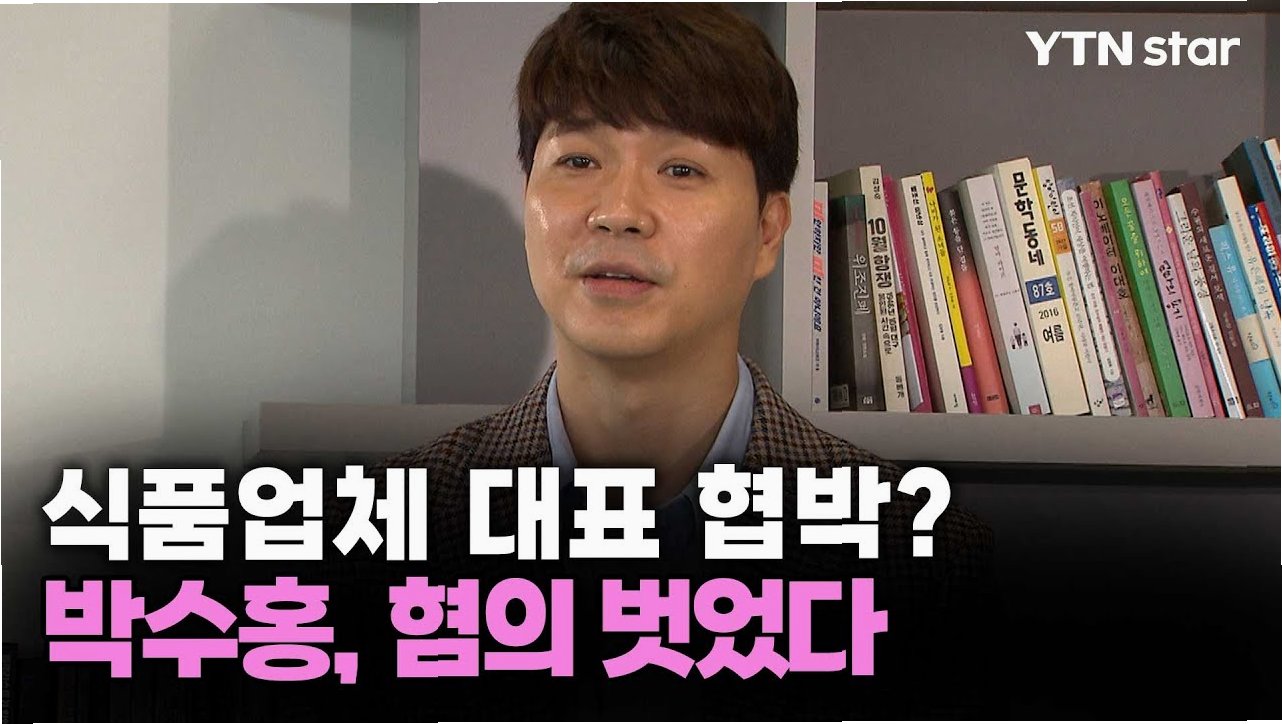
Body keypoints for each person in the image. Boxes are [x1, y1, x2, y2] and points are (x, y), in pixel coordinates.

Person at [327, 5, 997, 718]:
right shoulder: (377, 541)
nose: (619, 211)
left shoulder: (924, 559)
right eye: (578, 161)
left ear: (768, 232)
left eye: (681, 168)